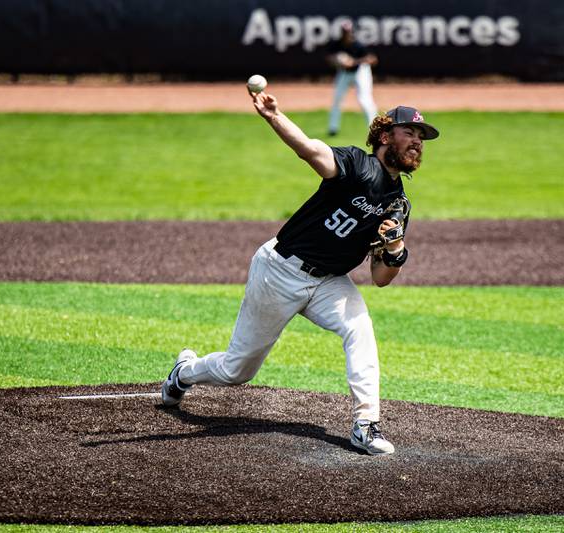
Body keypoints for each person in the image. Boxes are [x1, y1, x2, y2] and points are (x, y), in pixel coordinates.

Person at [161, 84, 440, 455]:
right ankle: (184, 372)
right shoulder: (357, 164)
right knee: (236, 371)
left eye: (421, 137)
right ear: (386, 136)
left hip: (329, 282)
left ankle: (365, 424)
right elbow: (310, 149)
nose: (417, 142)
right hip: (280, 271)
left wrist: (396, 250)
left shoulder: (398, 204)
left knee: (360, 329)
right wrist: (274, 116)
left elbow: (380, 278)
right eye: (410, 133)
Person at [325, 21, 378, 137]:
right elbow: (329, 58)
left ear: (351, 32)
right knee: (337, 99)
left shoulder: (358, 45)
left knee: (364, 99)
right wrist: (336, 61)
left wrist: (353, 62)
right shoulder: (337, 44)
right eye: (344, 32)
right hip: (344, 73)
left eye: (348, 32)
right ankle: (333, 129)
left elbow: (372, 59)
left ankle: (374, 128)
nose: (346, 34)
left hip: (361, 72)